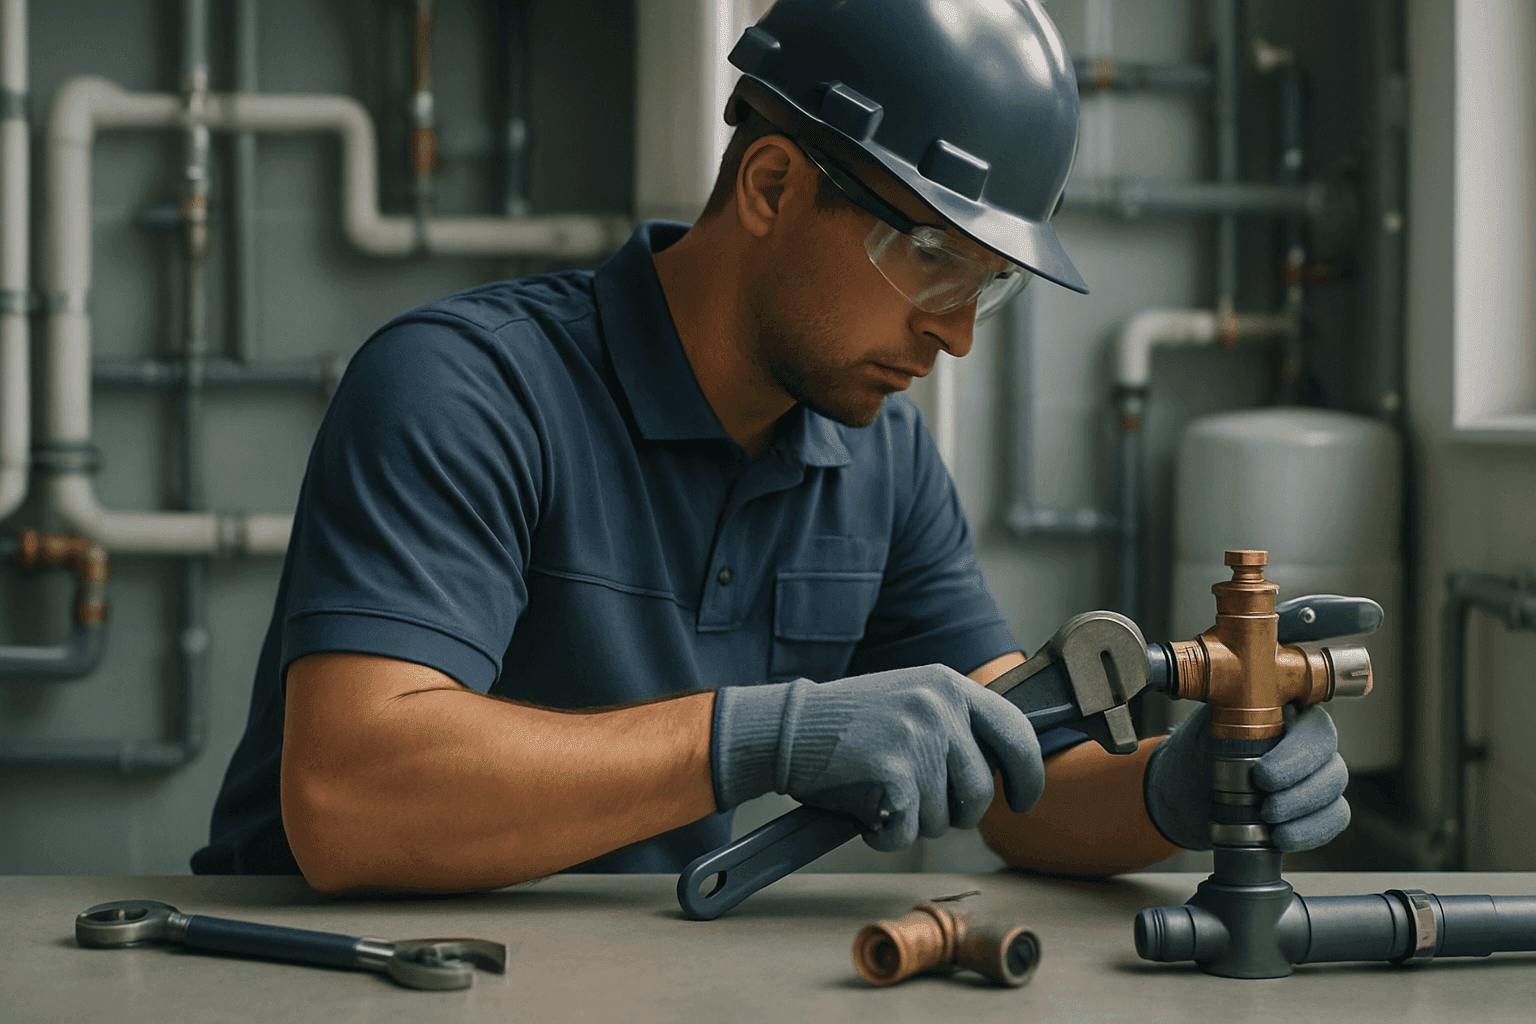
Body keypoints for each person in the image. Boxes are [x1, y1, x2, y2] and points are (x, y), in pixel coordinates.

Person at [193, 0, 1349, 892]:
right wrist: (765, 734)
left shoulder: (880, 460)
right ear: (773, 183)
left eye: (984, 292)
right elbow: (352, 795)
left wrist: (1174, 792)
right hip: (318, 976)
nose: (951, 335)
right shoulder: (465, 389)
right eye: (932, 263)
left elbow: (1012, 771)